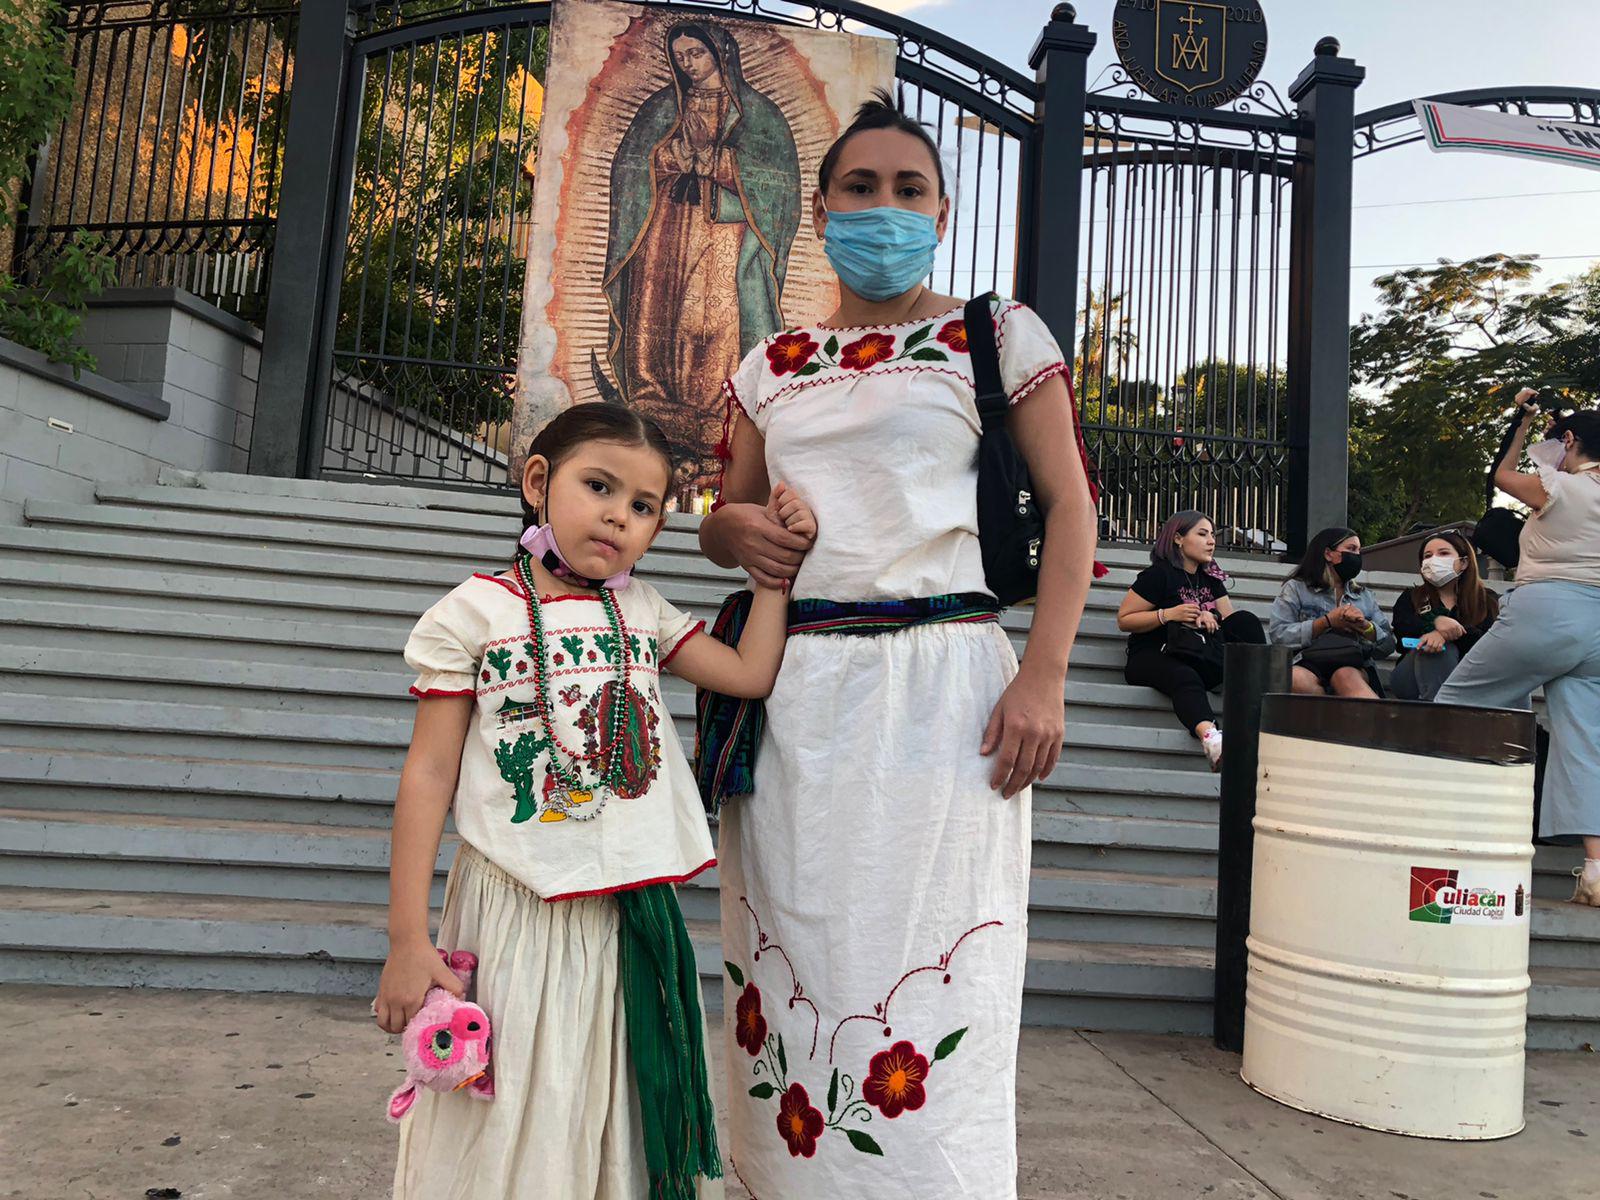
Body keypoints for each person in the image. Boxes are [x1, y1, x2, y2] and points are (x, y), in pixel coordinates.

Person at [699, 91, 1098, 1196]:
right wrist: (723, 526)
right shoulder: (768, 364)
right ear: (819, 210)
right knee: (791, 955)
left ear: (943, 207)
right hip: (799, 692)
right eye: (860, 189)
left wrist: (1044, 676)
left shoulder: (996, 334)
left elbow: (1071, 507)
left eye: (907, 189)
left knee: (936, 969)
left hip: (945, 689)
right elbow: (725, 520)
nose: (884, 207)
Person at [378, 405, 816, 1198]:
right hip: (515, 910)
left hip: (626, 924)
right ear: (539, 481)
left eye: (644, 506)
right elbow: (428, 775)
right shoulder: (471, 614)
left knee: (608, 1100)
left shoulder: (644, 614)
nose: (619, 514)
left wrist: (771, 581)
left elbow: (750, 674)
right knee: (516, 1104)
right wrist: (408, 938)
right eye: (599, 486)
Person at [603, 21, 801, 486]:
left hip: (722, 232)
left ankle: (714, 411)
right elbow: (630, 165)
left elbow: (778, 188)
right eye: (681, 55)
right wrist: (667, 158)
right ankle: (653, 402)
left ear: (720, 54)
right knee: (658, 309)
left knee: (713, 318)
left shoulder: (757, 114)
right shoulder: (662, 107)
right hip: (665, 229)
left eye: (696, 53)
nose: (688, 63)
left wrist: (719, 164)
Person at [1437, 392, 1600, 907]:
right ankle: (1595, 869)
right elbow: (1563, 458)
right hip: (1598, 627)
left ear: (1571, 442)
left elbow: (1505, 476)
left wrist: (1525, 421)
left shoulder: (1559, 487)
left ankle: (1462, 830)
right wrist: (1563, 431)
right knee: (1584, 744)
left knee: (1457, 702)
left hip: (1548, 608)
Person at [1117, 510, 1266, 770]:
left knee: (1246, 621)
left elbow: (1230, 623)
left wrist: (1212, 616)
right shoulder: (1158, 575)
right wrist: (1168, 615)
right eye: (1202, 533)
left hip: (1200, 652)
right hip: (1155, 654)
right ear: (1178, 538)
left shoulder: (1211, 580)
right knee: (1185, 677)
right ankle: (1212, 739)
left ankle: (1260, 702)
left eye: (1212, 535)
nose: (1211, 541)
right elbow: (1125, 619)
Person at [1270, 527, 1395, 698]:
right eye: (1351, 549)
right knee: (1296, 679)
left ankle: (1377, 723)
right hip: (1308, 661)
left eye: (1359, 550)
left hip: (1352, 663)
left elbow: (1388, 644)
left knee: (1345, 677)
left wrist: (1365, 627)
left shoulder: (1364, 596)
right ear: (1328, 554)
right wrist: (1326, 622)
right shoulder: (1296, 588)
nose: (1357, 555)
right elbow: (1279, 635)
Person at [1390, 530, 1500, 702]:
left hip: (1470, 680)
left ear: (1463, 562)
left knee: (1445, 647)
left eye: (1443, 553)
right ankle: (1442, 716)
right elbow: (1403, 636)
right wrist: (1434, 623)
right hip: (1411, 678)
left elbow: (1489, 645)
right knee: (1438, 650)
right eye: (1427, 556)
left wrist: (1447, 633)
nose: (1434, 559)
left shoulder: (1487, 600)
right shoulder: (1411, 597)